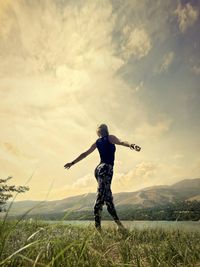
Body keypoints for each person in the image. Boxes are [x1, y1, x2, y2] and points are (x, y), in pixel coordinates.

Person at [64, 123, 141, 231]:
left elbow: (85, 154)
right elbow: (121, 142)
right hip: (105, 169)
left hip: (100, 169)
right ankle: (98, 230)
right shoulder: (109, 138)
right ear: (105, 130)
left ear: (99, 132)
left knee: (108, 199)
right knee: (100, 199)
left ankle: (119, 227)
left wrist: (72, 163)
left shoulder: (98, 142)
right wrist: (131, 145)